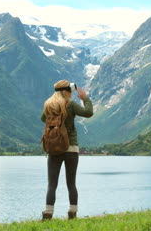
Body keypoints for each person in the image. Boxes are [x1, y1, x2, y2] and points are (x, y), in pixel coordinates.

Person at [41, 80, 93, 221]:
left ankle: (48, 213)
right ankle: (72, 212)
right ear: (66, 91)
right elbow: (88, 113)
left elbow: (43, 119)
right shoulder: (70, 104)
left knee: (52, 184)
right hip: (71, 148)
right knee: (71, 183)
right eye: (70, 91)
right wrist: (85, 99)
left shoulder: (48, 105)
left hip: (53, 148)